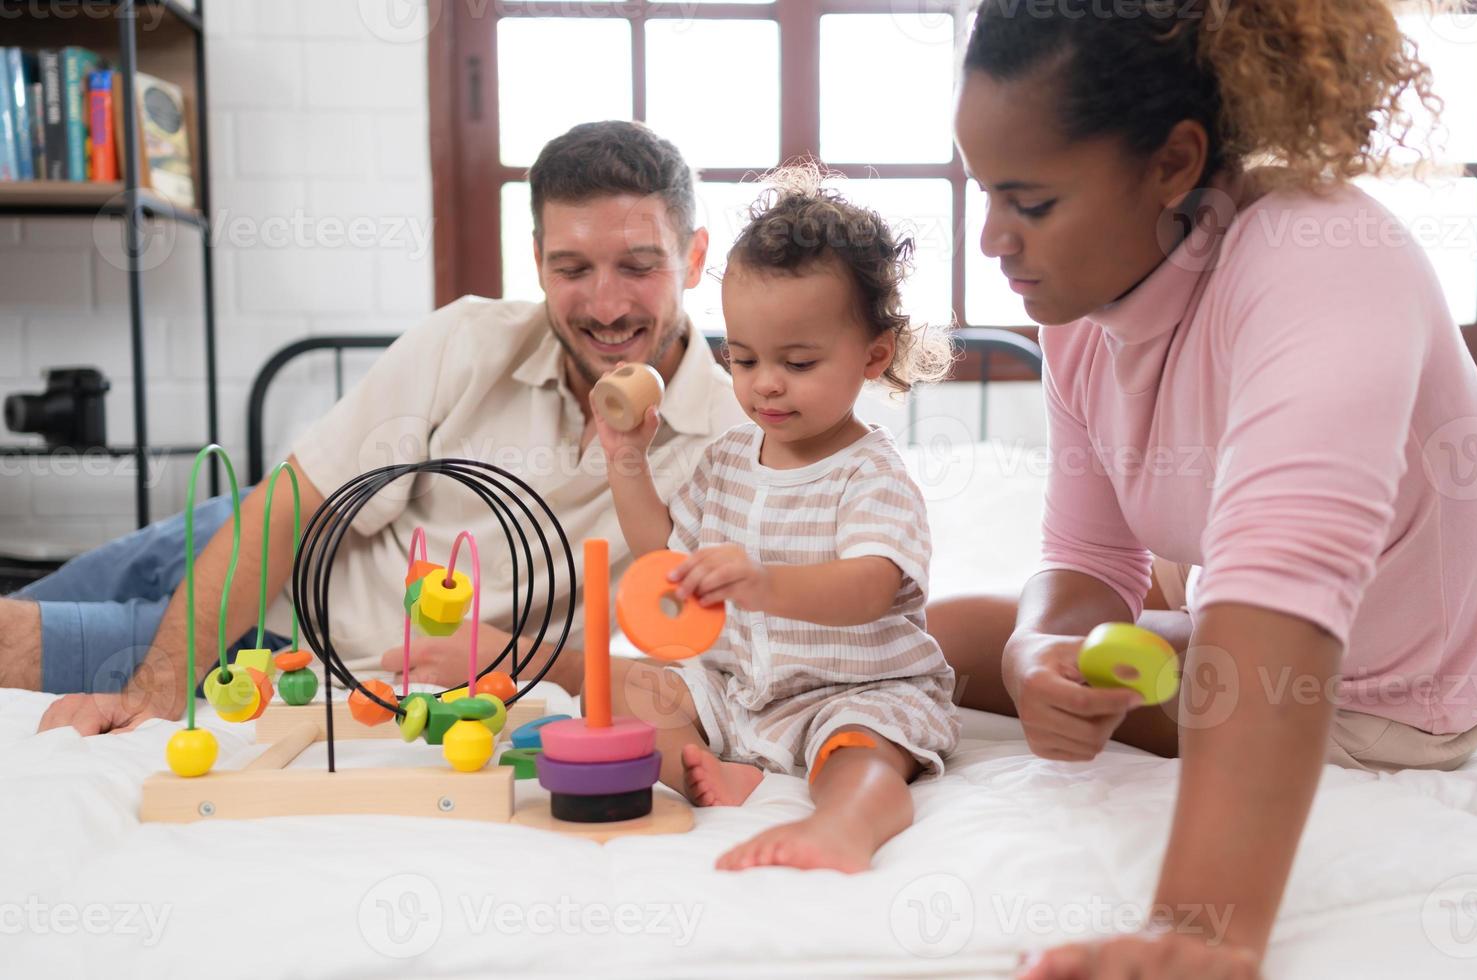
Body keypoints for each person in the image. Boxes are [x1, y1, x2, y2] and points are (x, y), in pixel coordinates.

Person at [932, 1, 1477, 976]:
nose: (992, 238)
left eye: (1030, 204)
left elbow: (1276, 595)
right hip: (1216, 623)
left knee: (958, 642)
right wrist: (1043, 645)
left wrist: (1200, 928)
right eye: (983, 193)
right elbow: (1088, 556)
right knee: (947, 634)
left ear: (1171, 162)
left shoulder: (1320, 259)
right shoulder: (1080, 308)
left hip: (1384, 700)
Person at [14, 120, 745, 735]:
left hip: (290, 650)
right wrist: (157, 693)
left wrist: (513, 654)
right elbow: (289, 504)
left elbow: (712, 669)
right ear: (536, 263)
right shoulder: (465, 340)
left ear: (693, 258)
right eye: (572, 267)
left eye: (638, 266)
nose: (606, 304)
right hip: (240, 544)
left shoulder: (736, 443)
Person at [594, 168, 959, 873]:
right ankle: (730, 776)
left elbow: (870, 587)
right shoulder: (727, 458)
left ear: (873, 355)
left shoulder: (869, 474)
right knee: (633, 697)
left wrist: (763, 582)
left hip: (849, 691)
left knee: (862, 755)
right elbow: (661, 556)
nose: (764, 382)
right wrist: (628, 461)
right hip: (734, 691)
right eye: (743, 358)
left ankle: (846, 824)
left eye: (796, 362)